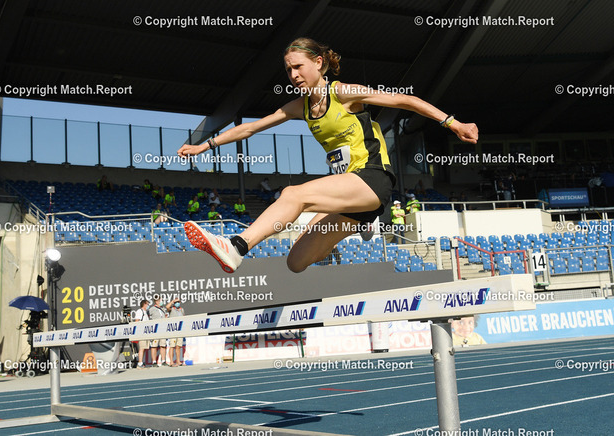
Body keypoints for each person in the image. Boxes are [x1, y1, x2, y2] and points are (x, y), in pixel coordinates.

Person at [177, 37, 478, 274]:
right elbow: (250, 128)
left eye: (298, 67)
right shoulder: (300, 107)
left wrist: (453, 123)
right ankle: (364, 221)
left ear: (319, 63)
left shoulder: (343, 93)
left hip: (372, 179)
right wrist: (204, 146)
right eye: (288, 70)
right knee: (296, 262)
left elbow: (404, 100)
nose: (293, 75)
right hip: (350, 193)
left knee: (292, 194)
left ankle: (236, 247)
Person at [148, 296, 178, 366]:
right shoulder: (152, 309)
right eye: (159, 300)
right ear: (156, 301)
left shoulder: (163, 309)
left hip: (163, 329)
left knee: (163, 345)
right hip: (155, 330)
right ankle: (154, 362)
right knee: (154, 346)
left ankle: (163, 361)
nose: (161, 302)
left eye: (161, 300)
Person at [132, 300, 150, 369]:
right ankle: (139, 364)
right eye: (147, 304)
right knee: (142, 348)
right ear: (144, 304)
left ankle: (141, 362)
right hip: (142, 332)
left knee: (144, 348)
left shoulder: (145, 312)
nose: (148, 305)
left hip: (146, 332)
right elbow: (137, 321)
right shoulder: (140, 311)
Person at [168, 300, 186, 366]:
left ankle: (178, 361)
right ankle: (171, 362)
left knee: (178, 346)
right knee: (172, 346)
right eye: (176, 302)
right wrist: (172, 301)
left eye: (178, 302)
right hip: (173, 329)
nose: (177, 303)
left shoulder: (182, 310)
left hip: (180, 330)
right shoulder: (172, 309)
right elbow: (167, 307)